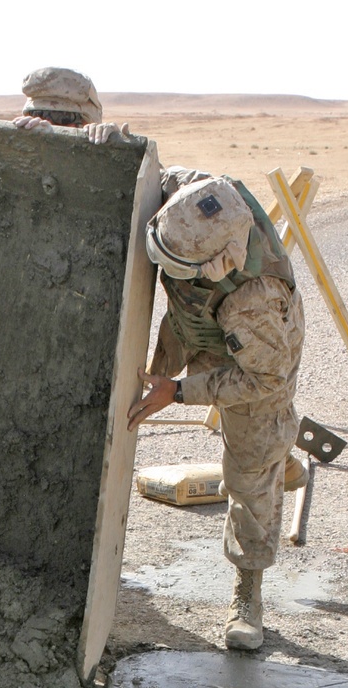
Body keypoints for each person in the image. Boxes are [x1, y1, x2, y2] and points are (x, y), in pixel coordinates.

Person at [127, 169, 305, 651]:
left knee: (247, 468)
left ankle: (248, 589)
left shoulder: (255, 303)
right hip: (195, 321)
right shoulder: (196, 194)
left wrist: (180, 392)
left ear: (218, 262)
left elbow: (261, 378)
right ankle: (279, 457)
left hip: (257, 361)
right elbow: (153, 172)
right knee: (133, 397)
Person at [0, 65, 126, 145]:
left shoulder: (102, 151)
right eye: (39, 114)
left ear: (86, 123)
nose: (48, 124)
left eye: (64, 119)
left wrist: (120, 147)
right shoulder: (5, 151)